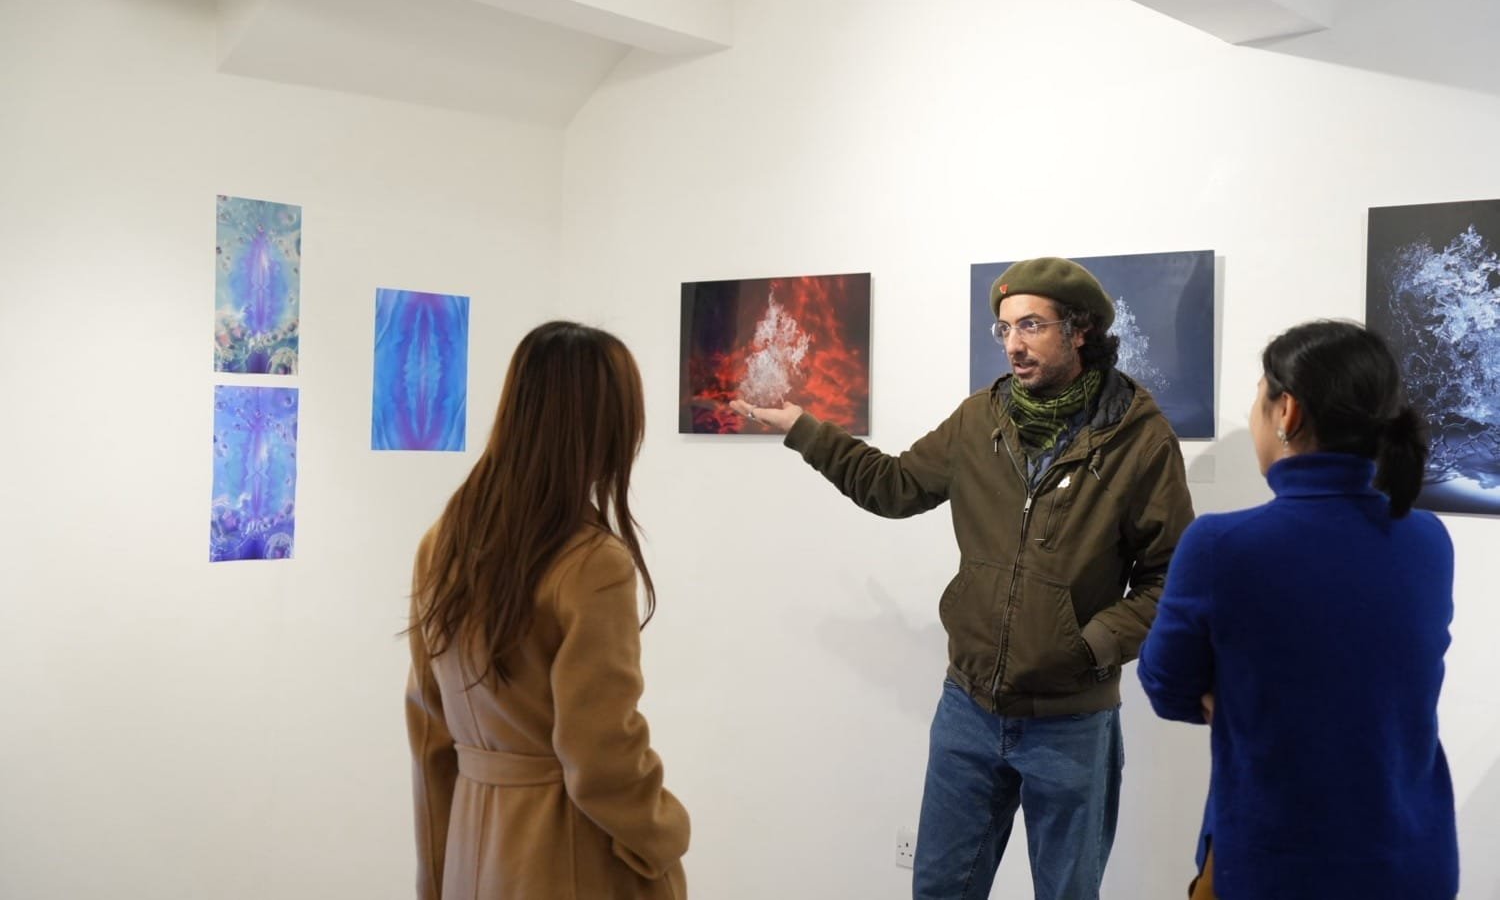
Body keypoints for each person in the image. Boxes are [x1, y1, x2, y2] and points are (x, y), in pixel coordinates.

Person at [732, 257, 1194, 900]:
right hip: (968, 711)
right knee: (941, 890)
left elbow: (1171, 577)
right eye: (1003, 329)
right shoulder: (981, 420)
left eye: (1031, 325)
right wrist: (804, 430)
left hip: (1072, 722)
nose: (1013, 345)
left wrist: (1092, 645)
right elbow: (892, 486)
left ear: (1079, 330)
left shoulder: (1139, 440)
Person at [1137, 320, 1458, 900]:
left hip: (1276, 864)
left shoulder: (1222, 546)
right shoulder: (1429, 539)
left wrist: (1235, 697)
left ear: (1288, 413)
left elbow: (1165, 684)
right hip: (1413, 859)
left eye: (1260, 401)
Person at [405, 321, 690, 900]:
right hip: (566, 857)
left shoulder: (444, 541)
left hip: (470, 850)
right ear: (605, 426)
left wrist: (435, 873)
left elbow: (429, 733)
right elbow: (601, 753)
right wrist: (665, 833)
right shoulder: (593, 562)